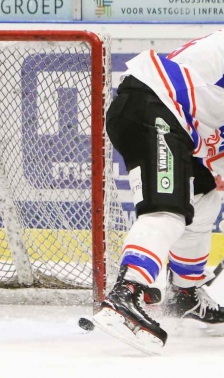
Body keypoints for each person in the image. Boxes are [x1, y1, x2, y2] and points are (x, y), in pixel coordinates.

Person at [93, 29, 224, 354]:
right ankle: (127, 292)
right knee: (168, 210)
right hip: (155, 107)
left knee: (203, 194)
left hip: (176, 120)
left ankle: (185, 294)